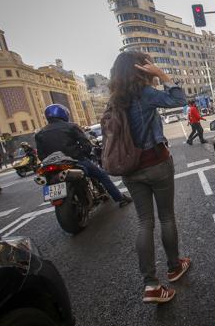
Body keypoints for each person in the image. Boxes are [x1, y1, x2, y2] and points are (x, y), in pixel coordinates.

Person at [109, 51, 190, 304]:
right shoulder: (144, 94)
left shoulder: (114, 101)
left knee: (144, 223)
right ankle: (175, 267)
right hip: (156, 163)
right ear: (140, 70)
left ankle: (151, 285)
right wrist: (161, 74)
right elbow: (179, 99)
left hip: (130, 169)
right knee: (166, 216)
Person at [35, 104, 132, 208]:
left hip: (52, 167)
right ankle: (120, 199)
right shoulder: (71, 126)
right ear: (63, 114)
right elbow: (85, 144)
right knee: (102, 175)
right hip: (74, 161)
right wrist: (84, 155)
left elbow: (41, 155)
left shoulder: (40, 133)